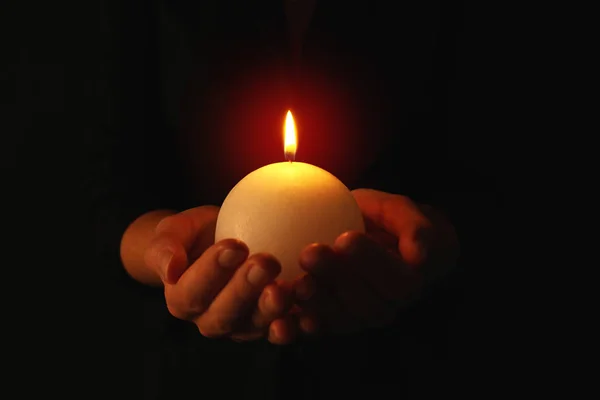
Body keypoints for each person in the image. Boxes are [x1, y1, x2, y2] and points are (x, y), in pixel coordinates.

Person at [6, 0, 496, 398]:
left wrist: (432, 237)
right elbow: (96, 183)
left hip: (411, 368)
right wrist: (161, 254)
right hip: (184, 375)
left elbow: (492, 169)